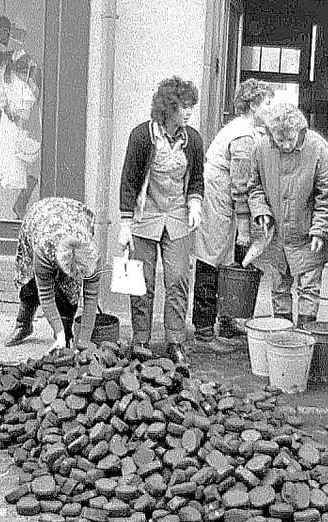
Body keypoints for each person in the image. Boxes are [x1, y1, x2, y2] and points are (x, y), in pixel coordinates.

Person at [117, 76, 204, 365]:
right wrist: (125, 224)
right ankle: (140, 339)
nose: (189, 112)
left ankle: (175, 340)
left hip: (178, 217)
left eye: (191, 106)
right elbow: (129, 181)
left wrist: (194, 203)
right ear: (168, 108)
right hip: (145, 216)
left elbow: (197, 181)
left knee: (178, 277)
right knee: (141, 280)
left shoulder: (193, 140)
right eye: (184, 106)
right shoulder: (142, 136)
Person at [191, 79, 274, 351]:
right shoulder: (243, 136)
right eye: (267, 103)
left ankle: (226, 320)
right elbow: (240, 185)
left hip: (224, 199)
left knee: (229, 259)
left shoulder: (251, 131)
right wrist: (243, 225)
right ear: (252, 105)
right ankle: (204, 330)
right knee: (211, 260)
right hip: (218, 200)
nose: (271, 108)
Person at [247, 101, 328, 327]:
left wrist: (320, 230)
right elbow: (254, 186)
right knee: (278, 288)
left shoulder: (320, 149)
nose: (286, 145)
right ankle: (282, 336)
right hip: (276, 233)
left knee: (309, 289)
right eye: (280, 140)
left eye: (291, 139)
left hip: (308, 234)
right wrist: (261, 211)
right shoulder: (260, 148)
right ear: (270, 135)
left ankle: (306, 335)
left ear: (301, 131)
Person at [5, 197, 101, 350]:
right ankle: (24, 325)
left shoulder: (92, 256)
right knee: (30, 283)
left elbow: (91, 299)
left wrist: (84, 341)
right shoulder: (44, 248)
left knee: (70, 292)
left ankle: (66, 335)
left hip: (75, 214)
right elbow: (46, 295)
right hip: (40, 218)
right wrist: (59, 331)